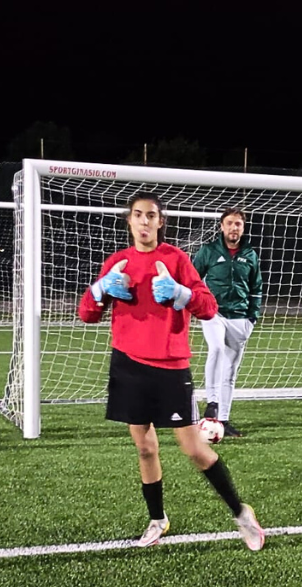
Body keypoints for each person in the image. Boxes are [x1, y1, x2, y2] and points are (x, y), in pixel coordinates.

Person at [77, 192, 265, 551]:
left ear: (160, 222)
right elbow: (87, 314)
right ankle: (157, 519)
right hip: (128, 364)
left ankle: (241, 512)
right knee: (145, 448)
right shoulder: (117, 262)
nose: (145, 221)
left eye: (151, 216)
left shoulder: (176, 259)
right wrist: (100, 289)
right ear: (129, 221)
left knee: (193, 448)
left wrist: (181, 294)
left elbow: (209, 308)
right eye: (138, 215)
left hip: (169, 367)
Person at [192, 207, 263, 438]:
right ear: (222, 226)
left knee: (230, 370)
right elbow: (192, 278)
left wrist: (253, 317)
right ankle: (211, 402)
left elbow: (256, 288)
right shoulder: (209, 251)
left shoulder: (250, 254)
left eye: (238, 224)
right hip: (214, 313)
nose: (234, 227)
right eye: (230, 223)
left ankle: (223, 419)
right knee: (215, 348)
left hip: (240, 317)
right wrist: (199, 303)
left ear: (243, 228)